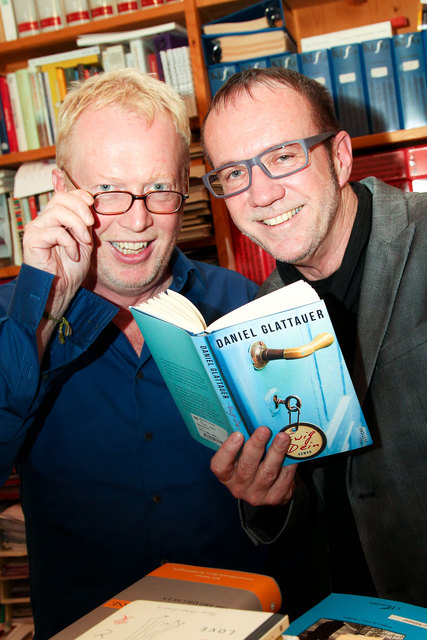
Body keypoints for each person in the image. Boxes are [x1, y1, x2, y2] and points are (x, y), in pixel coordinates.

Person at [0, 69, 280, 640]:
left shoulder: (246, 304)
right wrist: (42, 313)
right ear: (62, 190)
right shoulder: (12, 317)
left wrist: (277, 498)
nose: (135, 219)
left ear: (185, 188)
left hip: (239, 623)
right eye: (107, 189)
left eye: (159, 188)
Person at [201, 67, 427, 611]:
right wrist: (269, 500)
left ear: (341, 156)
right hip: (338, 614)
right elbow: (310, 517)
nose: (261, 193)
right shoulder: (252, 320)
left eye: (283, 156)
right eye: (233, 173)